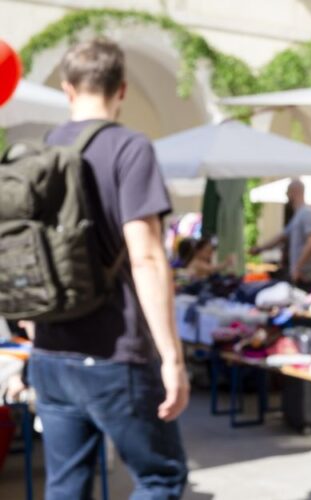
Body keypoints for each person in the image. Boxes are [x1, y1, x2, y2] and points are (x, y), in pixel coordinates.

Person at [29, 38, 189, 499]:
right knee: (160, 477)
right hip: (114, 355)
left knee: (66, 485)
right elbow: (146, 256)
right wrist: (173, 359)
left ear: (67, 89)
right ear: (122, 90)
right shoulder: (130, 148)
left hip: (50, 353)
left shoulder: (43, 149)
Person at [250, 179, 311, 292]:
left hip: (307, 278)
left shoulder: (307, 213)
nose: (286, 196)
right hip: (300, 276)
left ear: (294, 191)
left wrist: (297, 267)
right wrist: (260, 249)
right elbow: (281, 237)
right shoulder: (298, 216)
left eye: (287, 192)